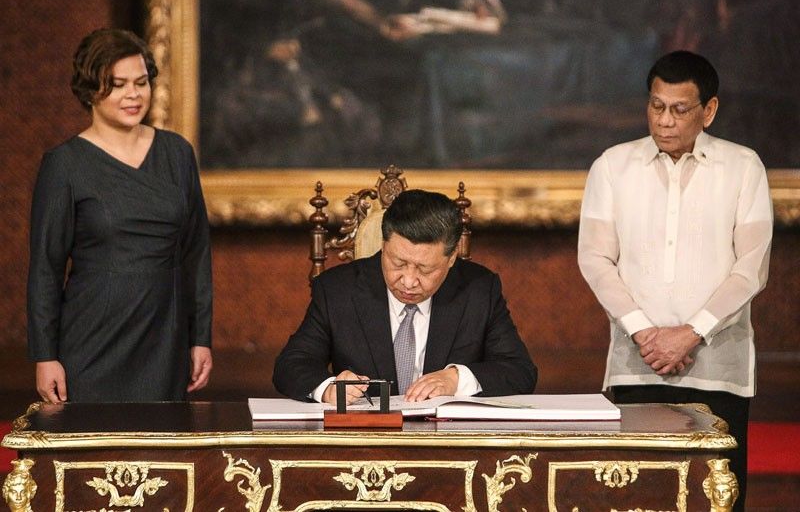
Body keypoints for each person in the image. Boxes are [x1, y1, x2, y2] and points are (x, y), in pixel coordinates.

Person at [578, 50, 772, 511]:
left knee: (715, 499)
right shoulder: (612, 165)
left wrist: (691, 333)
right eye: (656, 106)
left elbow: (751, 268)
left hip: (717, 369)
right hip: (636, 363)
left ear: (709, 110)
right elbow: (595, 259)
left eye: (679, 109)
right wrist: (645, 332)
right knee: (634, 498)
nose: (665, 121)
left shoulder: (743, 167)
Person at [27, 29, 213, 403]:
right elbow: (46, 268)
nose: (133, 95)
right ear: (90, 89)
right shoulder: (64, 164)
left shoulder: (176, 153)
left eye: (141, 82)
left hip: (164, 338)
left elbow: (196, 254)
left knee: (163, 456)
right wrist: (45, 355)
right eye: (118, 85)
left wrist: (200, 338)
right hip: (92, 339)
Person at [274, 189, 537, 405]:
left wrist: (456, 379)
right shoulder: (337, 290)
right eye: (398, 263)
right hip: (364, 444)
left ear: (451, 258)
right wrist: (329, 388)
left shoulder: (479, 290)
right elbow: (291, 365)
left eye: (425, 269)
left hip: (449, 444)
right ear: (384, 245)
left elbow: (520, 371)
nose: (409, 281)